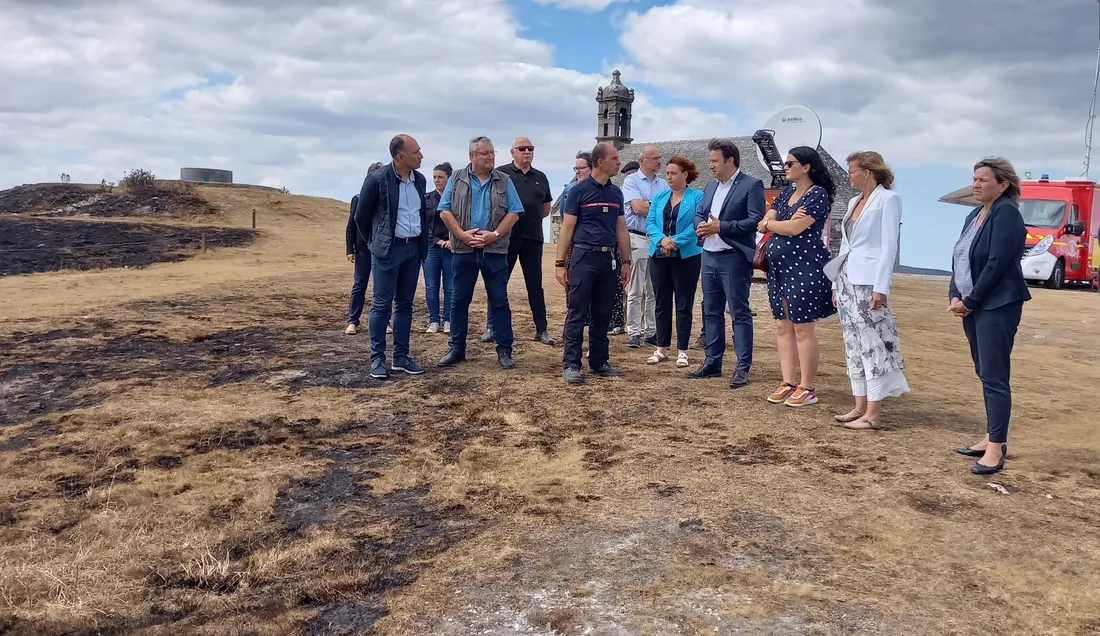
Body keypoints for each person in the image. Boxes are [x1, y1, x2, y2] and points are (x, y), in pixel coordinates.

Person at [951, 157, 1031, 475]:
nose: (976, 184)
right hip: (973, 304)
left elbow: (997, 263)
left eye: (983, 179)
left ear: (1003, 184)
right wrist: (955, 294)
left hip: (997, 305)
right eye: (974, 178)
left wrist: (971, 300)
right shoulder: (974, 214)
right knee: (984, 371)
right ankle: (990, 436)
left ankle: (996, 448)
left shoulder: (1006, 212)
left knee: (995, 376)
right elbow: (960, 257)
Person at [823, 151, 909, 429]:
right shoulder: (853, 201)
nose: (849, 175)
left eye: (852, 170)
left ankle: (872, 413)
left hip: (870, 281)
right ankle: (859, 406)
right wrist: (836, 283)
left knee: (872, 342)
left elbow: (889, 246)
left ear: (868, 172)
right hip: (847, 278)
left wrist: (881, 287)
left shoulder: (888, 199)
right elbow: (846, 245)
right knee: (853, 342)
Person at [436, 136, 525, 370]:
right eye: (485, 153)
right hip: (463, 251)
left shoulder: (504, 180)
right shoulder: (456, 178)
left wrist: (494, 235)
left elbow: (514, 213)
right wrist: (462, 235)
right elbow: (444, 211)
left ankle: (505, 350)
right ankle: (456, 348)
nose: (491, 157)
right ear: (472, 156)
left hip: (494, 251)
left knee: (499, 301)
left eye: (493, 152)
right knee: (459, 301)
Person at [757, 146, 837, 406]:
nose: (785, 167)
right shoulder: (787, 193)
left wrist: (773, 224)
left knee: (803, 327)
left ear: (806, 167)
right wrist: (777, 222)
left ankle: (808, 386)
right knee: (783, 325)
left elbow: (794, 228)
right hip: (779, 269)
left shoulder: (817, 194)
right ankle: (788, 381)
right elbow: (766, 220)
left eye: (790, 163)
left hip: (805, 267)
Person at [689, 138, 765, 388]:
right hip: (709, 255)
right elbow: (700, 212)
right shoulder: (711, 185)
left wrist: (721, 227)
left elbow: (755, 220)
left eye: (714, 161)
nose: (710, 165)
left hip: (733, 257)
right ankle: (712, 362)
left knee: (739, 312)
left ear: (730, 160)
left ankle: (742, 367)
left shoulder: (752, 185)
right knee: (711, 311)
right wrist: (701, 225)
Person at [556, 142, 633, 384]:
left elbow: (621, 228)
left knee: (603, 312)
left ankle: (599, 362)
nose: (618, 163)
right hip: (583, 257)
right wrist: (560, 263)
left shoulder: (616, 193)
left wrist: (626, 261)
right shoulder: (578, 191)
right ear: (600, 162)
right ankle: (571, 363)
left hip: (608, 258)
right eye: (614, 159)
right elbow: (567, 228)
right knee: (577, 311)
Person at [355, 135, 430, 380]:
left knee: (405, 304)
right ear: (401, 156)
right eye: (416, 152)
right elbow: (361, 217)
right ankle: (377, 358)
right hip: (388, 251)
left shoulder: (420, 180)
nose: (421, 156)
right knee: (381, 304)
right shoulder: (377, 179)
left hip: (412, 250)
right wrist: (375, 243)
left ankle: (401, 357)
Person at [488, 137, 555, 345]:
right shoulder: (501, 174)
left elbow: (546, 208)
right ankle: (492, 327)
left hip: (532, 238)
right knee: (499, 283)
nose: (527, 152)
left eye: (530, 149)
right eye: (522, 148)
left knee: (535, 285)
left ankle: (541, 329)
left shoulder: (541, 177)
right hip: (505, 238)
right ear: (513, 152)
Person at [645, 155, 704, 368]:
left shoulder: (697, 197)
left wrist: (674, 242)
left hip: (686, 256)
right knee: (661, 301)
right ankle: (661, 348)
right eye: (667, 173)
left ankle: (682, 350)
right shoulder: (660, 197)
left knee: (683, 303)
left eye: (673, 173)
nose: (669, 177)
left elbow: (696, 225)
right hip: (659, 254)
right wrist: (662, 239)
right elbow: (650, 222)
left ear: (685, 174)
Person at [621, 146, 667, 348]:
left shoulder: (663, 183)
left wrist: (650, 205)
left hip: (656, 239)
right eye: (654, 158)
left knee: (653, 288)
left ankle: (651, 330)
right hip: (637, 237)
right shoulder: (631, 181)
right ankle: (634, 331)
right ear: (643, 160)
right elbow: (638, 207)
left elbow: (668, 209)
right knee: (636, 288)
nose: (658, 161)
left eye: (659, 158)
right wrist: (656, 206)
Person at [345, 163, 384, 335]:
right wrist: (350, 249)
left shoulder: (387, 199)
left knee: (382, 287)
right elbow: (351, 225)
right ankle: (353, 321)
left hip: (382, 248)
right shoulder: (358, 198)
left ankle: (384, 322)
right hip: (363, 249)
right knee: (359, 285)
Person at [423, 162, 454, 334]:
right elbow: (422, 224)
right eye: (434, 177)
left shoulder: (456, 198)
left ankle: (448, 319)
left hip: (451, 248)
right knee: (431, 286)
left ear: (449, 178)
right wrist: (437, 241)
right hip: (432, 248)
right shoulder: (426, 198)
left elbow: (461, 221)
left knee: (450, 287)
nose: (437, 180)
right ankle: (434, 320)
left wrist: (452, 239)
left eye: (440, 177)